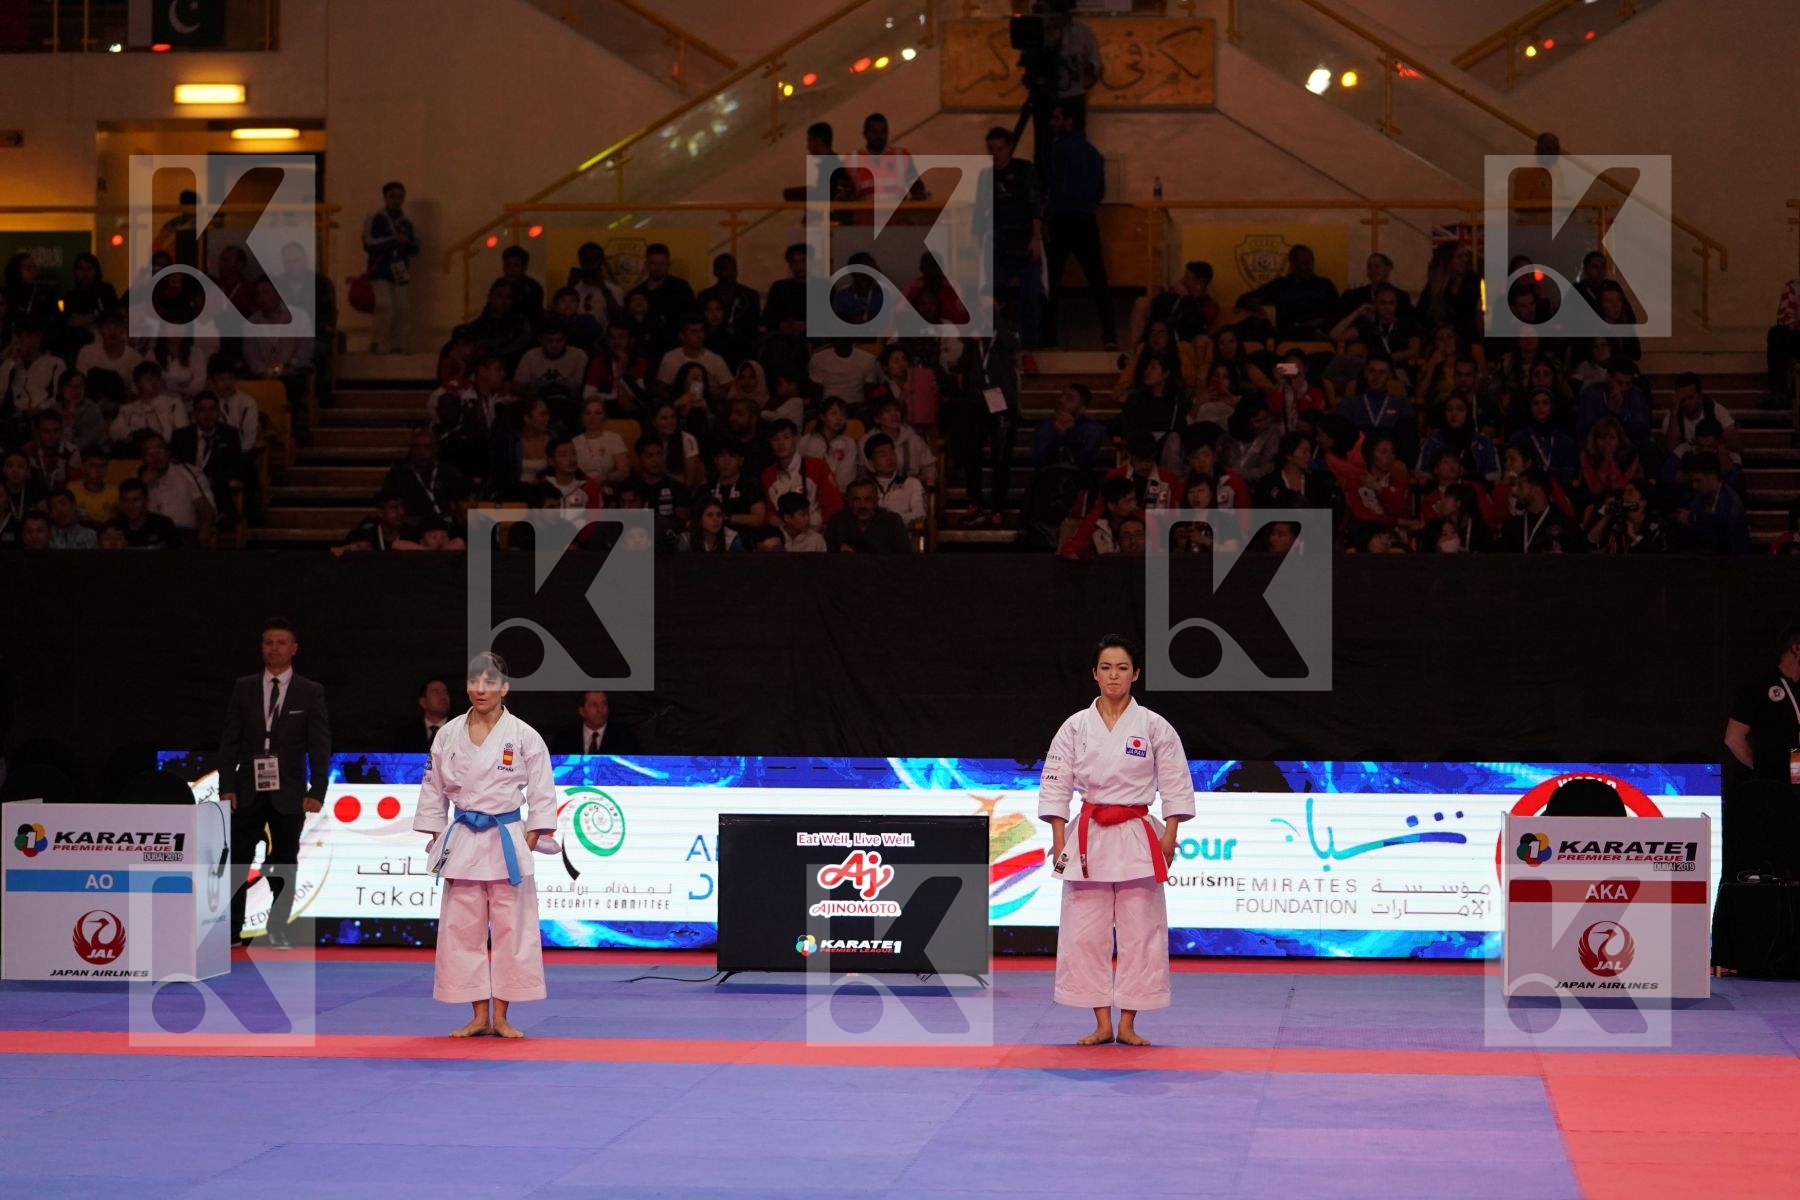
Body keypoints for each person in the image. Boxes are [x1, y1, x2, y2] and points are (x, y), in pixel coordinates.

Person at [1039, 635, 1193, 1047]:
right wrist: (1059, 839)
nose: (1113, 676)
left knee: (1140, 932)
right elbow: (1055, 785)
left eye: (1122, 668)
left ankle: (1127, 1023)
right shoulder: (1075, 726)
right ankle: (1101, 1022)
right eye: (1106, 668)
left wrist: (1170, 836)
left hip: (1137, 833)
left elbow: (1175, 783)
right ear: (1094, 673)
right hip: (1088, 834)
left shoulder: (1154, 726)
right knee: (1084, 933)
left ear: (1135, 674)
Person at [416, 651, 556, 1038]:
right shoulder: (448, 734)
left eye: (489, 682)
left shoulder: (524, 735)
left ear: (504, 688)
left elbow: (542, 794)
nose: (480, 689)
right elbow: (432, 792)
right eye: (474, 682)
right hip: (463, 839)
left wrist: (529, 838)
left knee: (513, 930)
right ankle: (479, 1015)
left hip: (506, 839)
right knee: (462, 930)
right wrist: (439, 838)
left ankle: (503, 1016)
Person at [219, 617, 330, 949]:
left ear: (293, 649)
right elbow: (230, 740)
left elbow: (319, 744)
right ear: (261, 647)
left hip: (290, 791)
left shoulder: (310, 691)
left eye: (281, 643)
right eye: (269, 642)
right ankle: (232, 930)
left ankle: (278, 927)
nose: (274, 648)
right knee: (238, 860)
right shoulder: (244, 687)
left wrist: (318, 790)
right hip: (247, 788)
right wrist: (227, 786)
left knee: (285, 862)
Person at [1043, 100, 1114, 350]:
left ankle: (1049, 337)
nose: (1052, 123)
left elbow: (1050, 187)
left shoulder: (1057, 151)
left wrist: (1046, 218)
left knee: (1051, 280)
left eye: (1056, 118)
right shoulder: (1093, 154)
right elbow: (1099, 192)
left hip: (1061, 220)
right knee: (1097, 279)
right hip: (1085, 220)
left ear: (1069, 121)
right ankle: (1109, 335)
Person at [362, 181, 418, 354]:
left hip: (400, 271)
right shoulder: (376, 217)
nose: (396, 200)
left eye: (400, 196)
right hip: (381, 269)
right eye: (392, 196)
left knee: (403, 308)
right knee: (384, 306)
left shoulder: (407, 221)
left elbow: (416, 248)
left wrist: (407, 243)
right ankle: (378, 342)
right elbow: (368, 243)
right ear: (385, 197)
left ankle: (399, 344)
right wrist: (393, 240)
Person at [825, 476, 914, 553]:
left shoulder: (892, 522)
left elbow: (906, 558)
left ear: (877, 500)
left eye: (868, 499)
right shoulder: (837, 521)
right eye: (857, 500)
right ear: (849, 501)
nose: (862, 505)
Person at [556, 690, 642, 755]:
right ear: (582, 711)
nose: (600, 710)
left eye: (604, 704)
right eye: (594, 705)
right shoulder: (564, 739)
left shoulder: (625, 738)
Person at [390, 678, 454, 753]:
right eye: (436, 692)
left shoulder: (460, 729)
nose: (443, 696)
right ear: (423, 702)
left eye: (445, 692)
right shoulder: (405, 734)